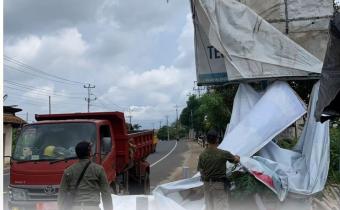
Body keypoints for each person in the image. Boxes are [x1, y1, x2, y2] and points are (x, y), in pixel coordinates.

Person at [58, 141, 113, 210]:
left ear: (77, 154)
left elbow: (62, 193)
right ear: (89, 153)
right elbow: (106, 193)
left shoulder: (69, 171)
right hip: (93, 207)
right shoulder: (98, 169)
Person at [197, 130, 240, 210]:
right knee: (220, 207)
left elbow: (201, 171)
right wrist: (238, 157)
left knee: (209, 207)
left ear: (207, 140)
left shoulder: (202, 155)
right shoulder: (223, 153)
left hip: (206, 184)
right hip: (218, 185)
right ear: (217, 139)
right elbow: (236, 160)